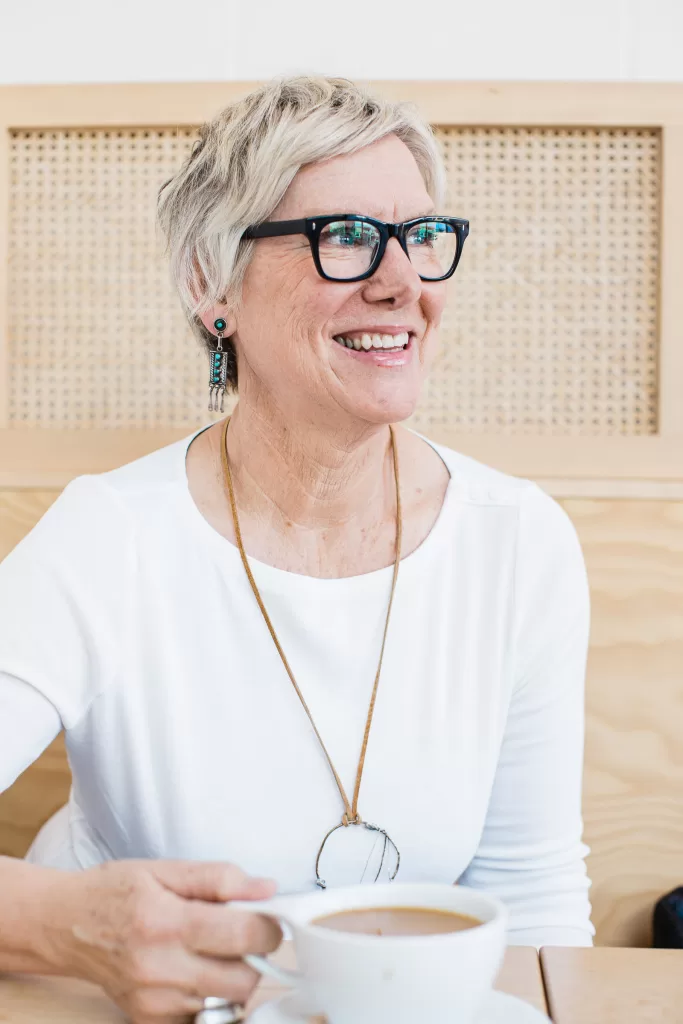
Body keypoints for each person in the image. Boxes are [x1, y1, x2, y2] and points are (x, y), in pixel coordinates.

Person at [0, 74, 594, 1022]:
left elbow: (531, 899)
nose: (402, 283)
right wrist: (68, 922)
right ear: (211, 284)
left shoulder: (519, 543)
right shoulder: (110, 536)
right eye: (348, 237)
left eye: (422, 238)